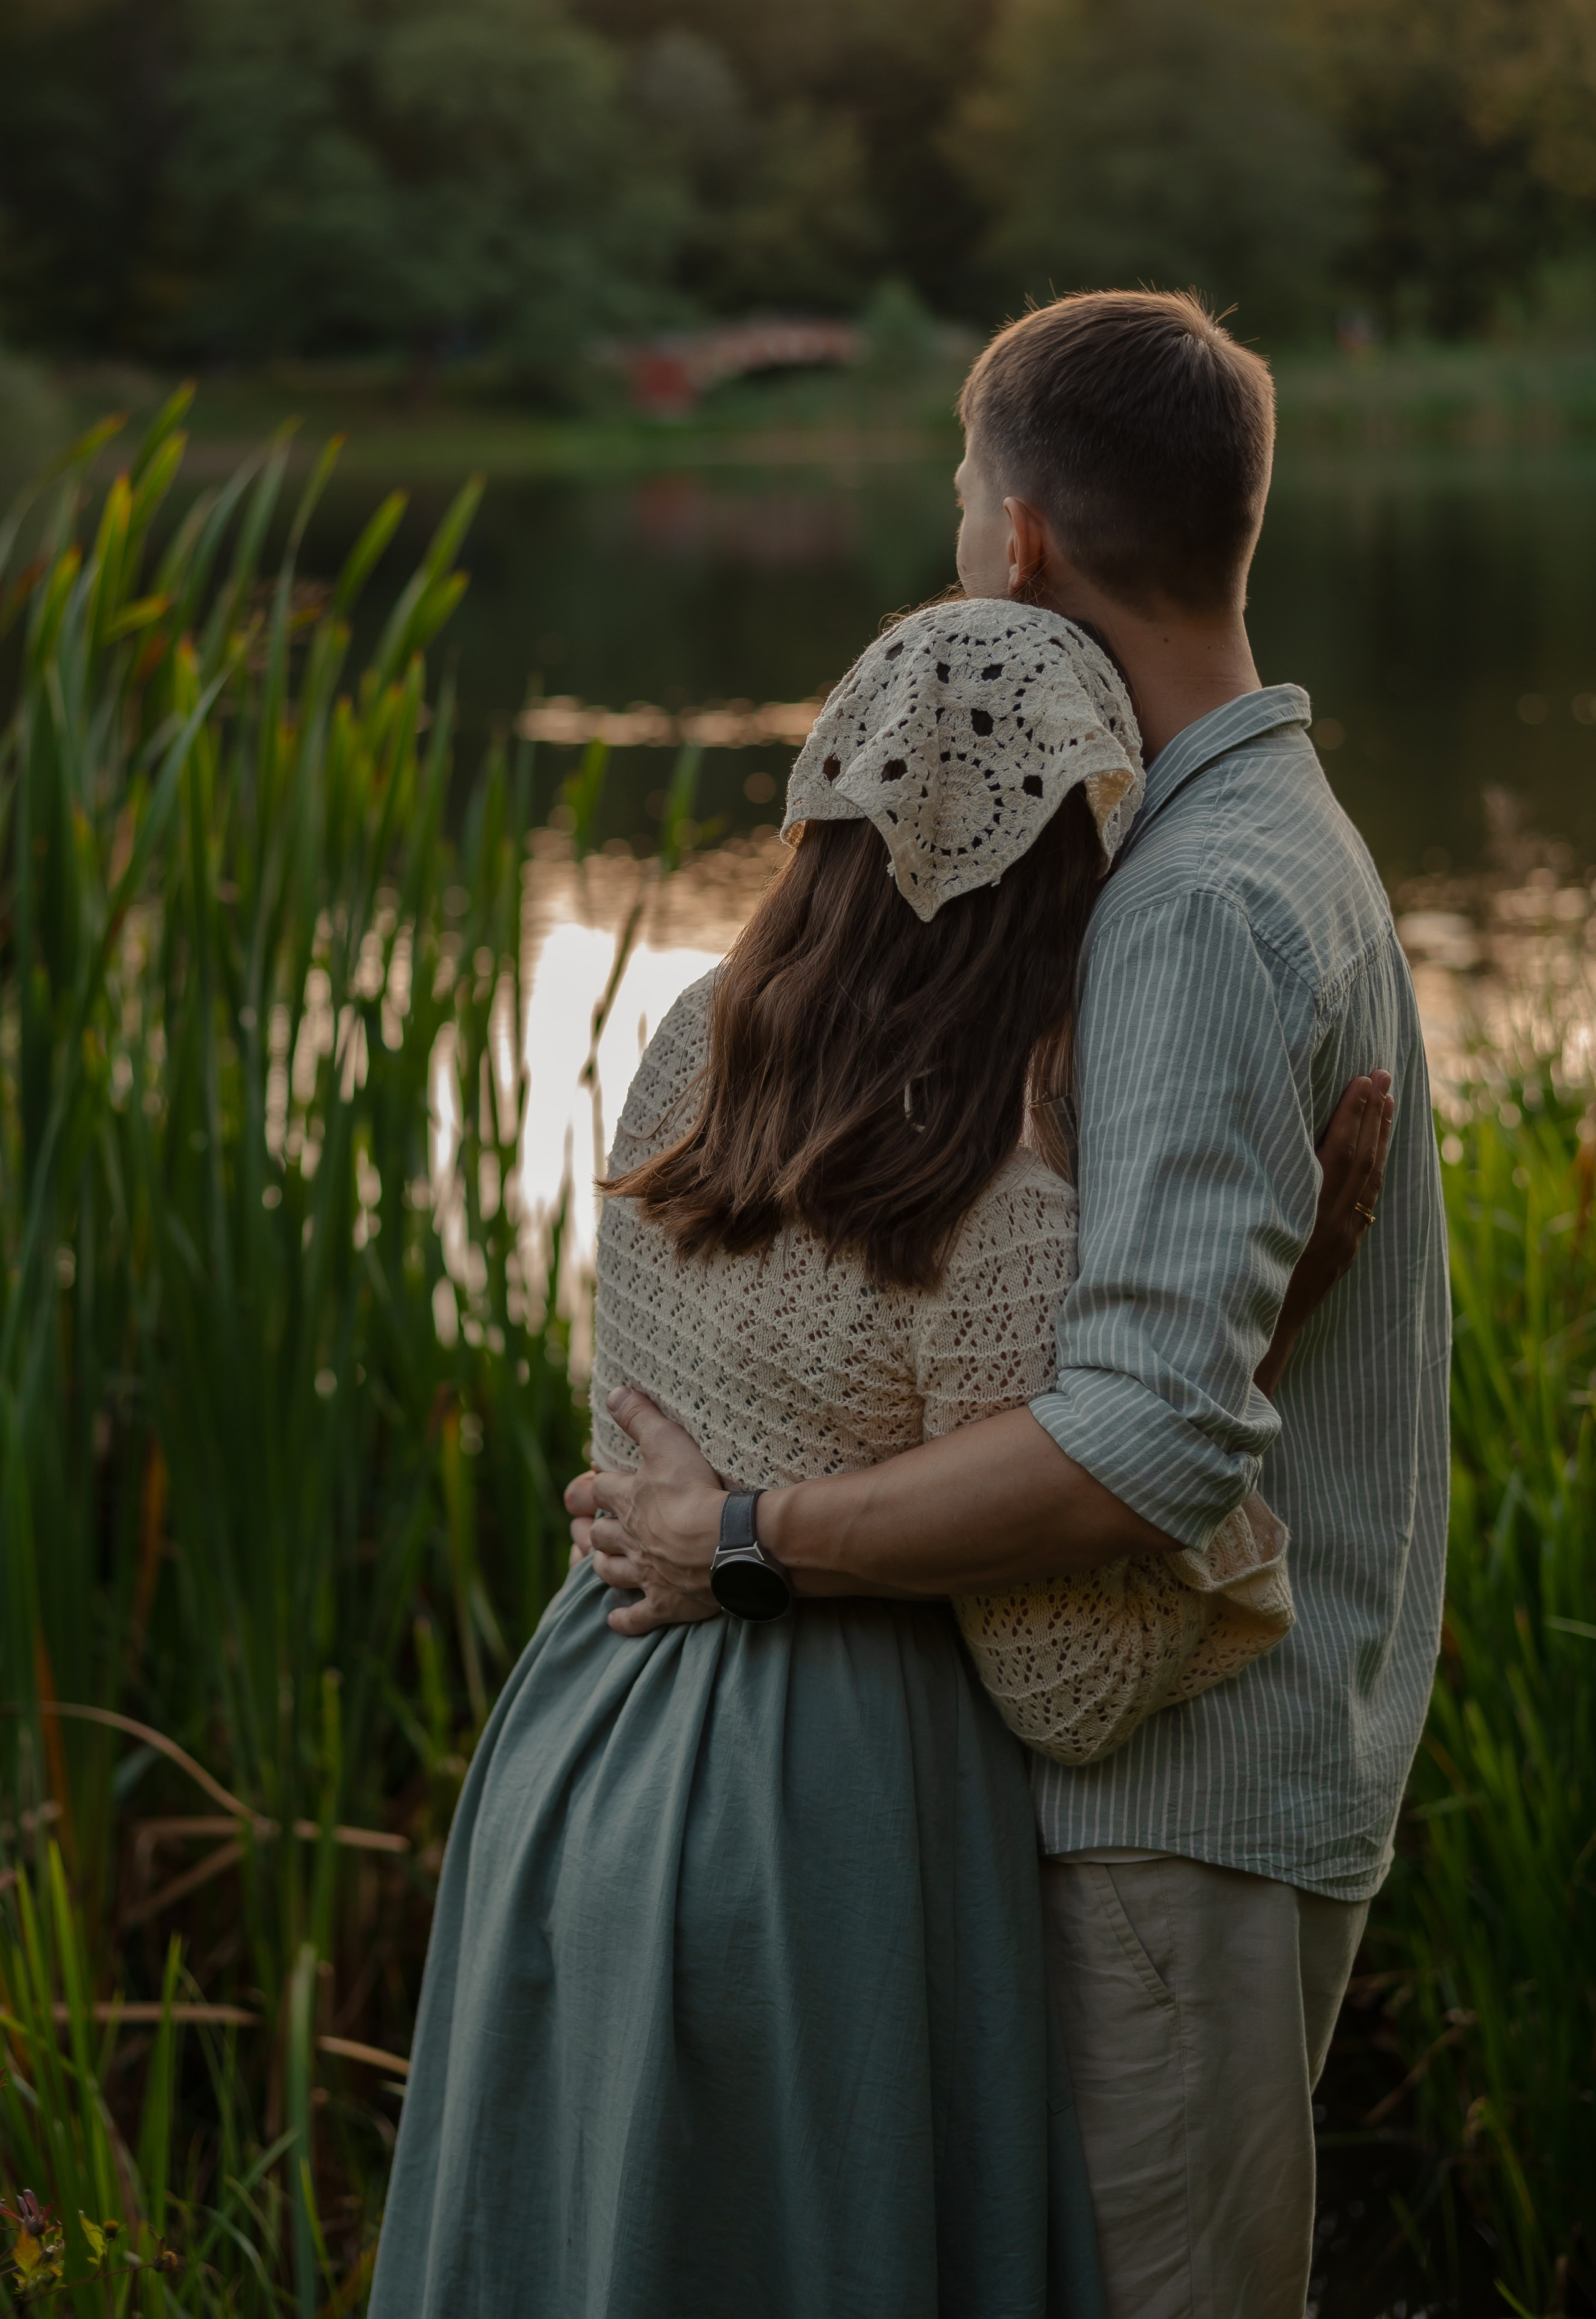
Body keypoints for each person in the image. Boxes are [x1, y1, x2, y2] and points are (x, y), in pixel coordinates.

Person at [567, 290, 1449, 2319]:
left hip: (1172, 1811)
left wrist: (742, 1539)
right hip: (1151, 1779)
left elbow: (1145, 1440)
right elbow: (1169, 1370)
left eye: (963, 487)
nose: (957, 524)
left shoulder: (1196, 905)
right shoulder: (1231, 844)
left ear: (1023, 541)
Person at [368, 590, 1388, 2319]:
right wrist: (1275, 1320)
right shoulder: (993, 1177)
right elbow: (1076, 1679)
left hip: (582, 1730)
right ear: (1080, 847)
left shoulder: (696, 1038)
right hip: (817, 1800)